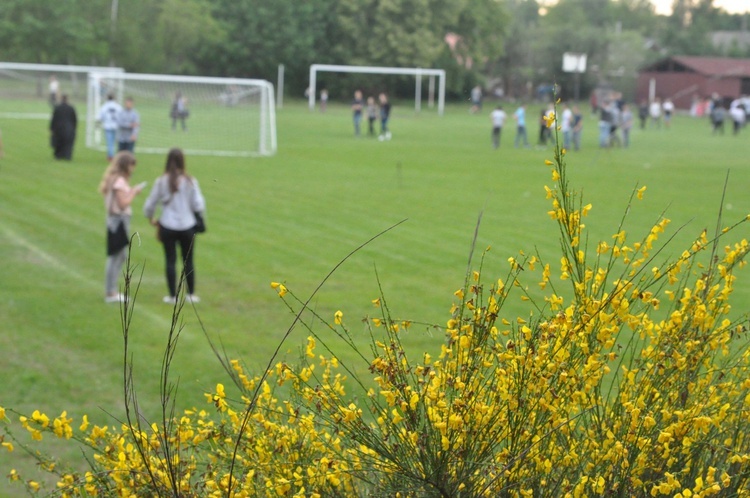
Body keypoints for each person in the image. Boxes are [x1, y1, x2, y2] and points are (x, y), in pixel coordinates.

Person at [144, 148, 206, 304]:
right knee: (188, 261)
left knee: (170, 260)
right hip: (187, 225)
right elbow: (198, 204)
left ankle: (172, 296)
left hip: (167, 225)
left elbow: (150, 203)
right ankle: (191, 294)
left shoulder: (161, 181)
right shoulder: (190, 181)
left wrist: (151, 217)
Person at [99, 151, 145, 303]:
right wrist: (134, 192)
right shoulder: (119, 181)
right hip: (118, 221)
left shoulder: (114, 179)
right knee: (116, 255)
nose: (133, 169)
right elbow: (122, 203)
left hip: (116, 220)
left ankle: (111, 290)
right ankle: (110, 291)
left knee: (120, 254)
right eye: (132, 166)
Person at [49, 94, 77, 160]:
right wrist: (74, 127)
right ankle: (68, 156)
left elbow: (54, 119)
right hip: (69, 128)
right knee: (68, 143)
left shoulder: (57, 108)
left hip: (58, 128)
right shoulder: (71, 108)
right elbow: (74, 119)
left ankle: (58, 156)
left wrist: (52, 128)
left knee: (59, 143)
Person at [97, 93, 123, 161]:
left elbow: (100, 117)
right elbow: (122, 116)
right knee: (117, 142)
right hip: (116, 126)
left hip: (107, 126)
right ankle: (118, 155)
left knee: (109, 142)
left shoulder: (104, 106)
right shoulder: (118, 106)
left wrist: (97, 124)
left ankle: (111, 155)